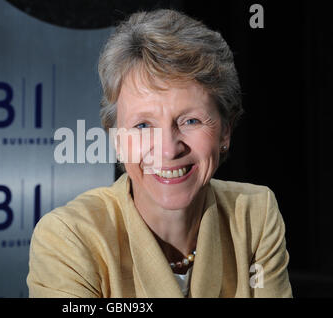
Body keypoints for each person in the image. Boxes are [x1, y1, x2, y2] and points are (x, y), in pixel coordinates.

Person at [26, 9, 292, 298]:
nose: (168, 149)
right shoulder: (69, 237)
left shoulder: (254, 213)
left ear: (225, 132)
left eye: (190, 121)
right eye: (143, 125)